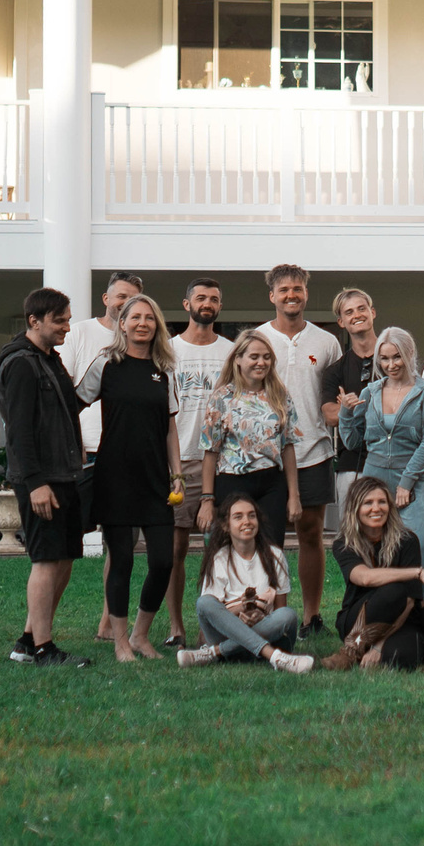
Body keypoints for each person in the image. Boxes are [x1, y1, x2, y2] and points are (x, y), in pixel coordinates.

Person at [0, 287, 92, 667]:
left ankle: (27, 642)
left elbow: (65, 409)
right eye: (59, 321)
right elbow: (19, 430)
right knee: (46, 560)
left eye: (68, 319)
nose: (66, 327)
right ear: (34, 321)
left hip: (63, 473)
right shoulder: (20, 364)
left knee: (63, 558)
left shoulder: (49, 359)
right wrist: (35, 483)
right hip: (41, 479)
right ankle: (45, 649)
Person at [74, 294, 178, 663]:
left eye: (149, 318)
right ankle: (120, 642)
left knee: (163, 561)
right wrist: (73, 449)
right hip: (114, 475)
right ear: (122, 323)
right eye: (135, 317)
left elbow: (170, 428)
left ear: (157, 325)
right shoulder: (107, 363)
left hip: (155, 478)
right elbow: (73, 406)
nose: (142, 323)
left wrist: (177, 474)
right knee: (121, 561)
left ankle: (140, 635)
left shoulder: (165, 369)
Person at [61, 273, 144, 646]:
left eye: (133, 299)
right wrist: (73, 441)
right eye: (120, 296)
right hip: (85, 453)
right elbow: (66, 393)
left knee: (121, 545)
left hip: (126, 458)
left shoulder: (141, 344)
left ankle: (108, 622)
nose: (125, 303)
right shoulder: (80, 334)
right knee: (66, 541)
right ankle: (38, 626)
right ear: (106, 298)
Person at [260, 265, 342, 634]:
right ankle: (269, 614)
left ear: (306, 294)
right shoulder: (257, 338)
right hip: (266, 454)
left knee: (311, 533)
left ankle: (311, 617)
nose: (291, 295)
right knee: (267, 537)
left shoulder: (326, 342)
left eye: (297, 289)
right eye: (284, 290)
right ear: (272, 296)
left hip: (313, 449)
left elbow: (333, 397)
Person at [161, 279, 236, 648]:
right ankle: (176, 626)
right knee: (175, 549)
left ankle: (214, 625)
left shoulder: (231, 351)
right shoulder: (168, 351)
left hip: (224, 463)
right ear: (186, 303)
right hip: (181, 460)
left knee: (219, 549)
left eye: (214, 299)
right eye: (201, 298)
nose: (207, 303)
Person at [337, 327, 424, 565]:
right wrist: (345, 413)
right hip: (374, 480)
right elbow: (353, 441)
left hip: (413, 481)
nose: (391, 365)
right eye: (384, 359)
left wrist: (406, 482)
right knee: (371, 547)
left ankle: (421, 590)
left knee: (422, 545)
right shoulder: (371, 392)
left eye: (397, 357)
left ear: (409, 353)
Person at [197, 328, 303, 562]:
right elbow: (210, 452)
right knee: (233, 551)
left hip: (271, 483)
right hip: (232, 482)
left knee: (272, 552)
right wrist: (207, 499)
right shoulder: (222, 397)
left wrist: (294, 495)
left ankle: (272, 588)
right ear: (238, 359)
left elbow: (288, 447)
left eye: (266, 357)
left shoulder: (280, 395)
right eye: (254, 357)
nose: (261, 362)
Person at [177, 495, 315, 674]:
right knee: (204, 603)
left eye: (251, 515)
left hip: (265, 631)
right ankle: (274, 657)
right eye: (238, 517)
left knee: (288, 615)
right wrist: (240, 610)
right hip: (226, 634)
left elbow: (280, 610)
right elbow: (213, 615)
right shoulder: (219, 559)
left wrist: (261, 615)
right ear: (226, 525)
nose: (247, 521)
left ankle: (214, 653)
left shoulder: (275, 555)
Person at [326, 476, 424, 671]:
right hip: (357, 618)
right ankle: (352, 650)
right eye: (368, 503)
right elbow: (364, 577)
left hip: (399, 621)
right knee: (393, 591)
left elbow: (409, 602)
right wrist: (417, 572)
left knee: (403, 657)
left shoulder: (407, 540)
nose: (376, 508)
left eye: (382, 502)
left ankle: (362, 648)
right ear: (355, 509)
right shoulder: (345, 543)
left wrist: (378, 646)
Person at [320, 287, 381, 517]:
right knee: (351, 533)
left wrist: (349, 407)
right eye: (349, 312)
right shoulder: (335, 370)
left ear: (372, 312)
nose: (357, 315)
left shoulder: (396, 360)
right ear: (341, 321)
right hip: (351, 464)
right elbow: (330, 415)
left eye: (361, 308)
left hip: (393, 460)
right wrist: (380, 405)